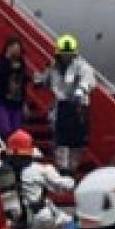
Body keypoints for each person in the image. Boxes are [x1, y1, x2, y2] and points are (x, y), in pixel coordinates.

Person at [34, 34, 95, 175]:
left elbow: (88, 80)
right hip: (62, 106)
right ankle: (62, 167)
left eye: (69, 54)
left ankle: (72, 167)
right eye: (64, 54)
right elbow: (47, 79)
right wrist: (39, 80)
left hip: (78, 106)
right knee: (60, 139)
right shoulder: (54, 67)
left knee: (77, 140)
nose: (66, 57)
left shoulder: (82, 67)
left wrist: (80, 91)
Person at [0, 37, 29, 139]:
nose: (17, 52)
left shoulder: (21, 63)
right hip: (2, 100)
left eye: (19, 50)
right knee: (5, 128)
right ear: (9, 48)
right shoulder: (0, 61)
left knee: (16, 131)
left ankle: (12, 151)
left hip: (17, 101)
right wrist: (9, 64)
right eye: (15, 49)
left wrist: (24, 103)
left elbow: (23, 83)